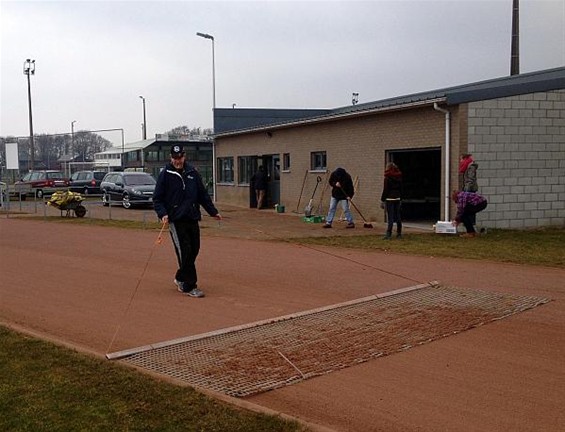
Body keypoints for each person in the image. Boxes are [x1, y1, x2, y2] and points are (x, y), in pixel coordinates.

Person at [153, 144, 222, 298]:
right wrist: (162, 213)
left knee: (195, 249)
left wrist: (213, 212)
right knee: (185, 252)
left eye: (180, 158)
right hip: (176, 220)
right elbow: (157, 199)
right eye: (175, 158)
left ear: (184, 156)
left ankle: (180, 277)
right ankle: (189, 286)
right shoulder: (165, 174)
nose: (178, 161)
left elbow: (203, 195)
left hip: (192, 217)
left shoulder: (192, 173)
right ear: (171, 158)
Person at [380, 162, 403, 239]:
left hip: (390, 198)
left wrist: (382, 200)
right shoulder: (399, 177)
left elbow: (385, 190)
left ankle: (388, 234)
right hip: (397, 198)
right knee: (398, 217)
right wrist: (400, 198)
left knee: (390, 217)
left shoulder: (387, 178)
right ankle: (399, 233)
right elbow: (401, 188)